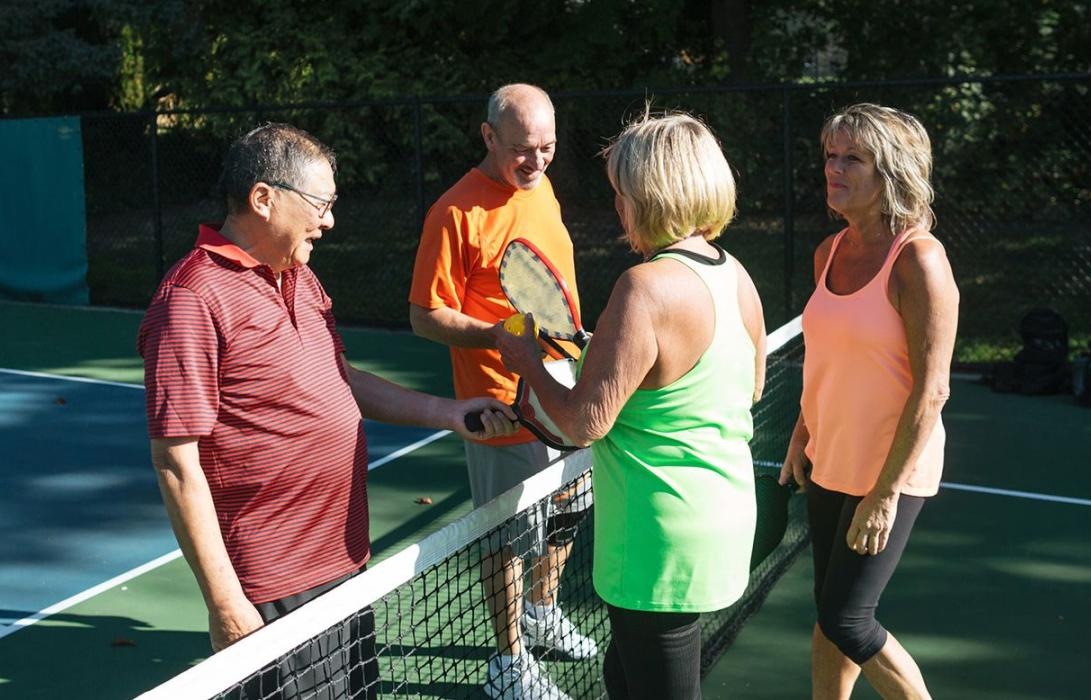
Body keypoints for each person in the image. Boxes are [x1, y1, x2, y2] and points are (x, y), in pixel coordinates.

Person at [140, 123, 518, 700]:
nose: (330, 220)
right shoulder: (191, 299)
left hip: (342, 561)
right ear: (264, 199)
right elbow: (175, 462)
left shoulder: (303, 278)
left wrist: (448, 411)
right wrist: (225, 603)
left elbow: (339, 381)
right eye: (321, 204)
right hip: (271, 582)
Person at [494, 113, 767, 700]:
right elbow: (747, 388)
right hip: (722, 518)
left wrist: (527, 362)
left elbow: (583, 423)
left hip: (656, 540)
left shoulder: (644, 287)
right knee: (623, 678)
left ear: (652, 194)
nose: (618, 206)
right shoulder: (736, 274)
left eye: (622, 192)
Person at [408, 83, 596, 700]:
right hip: (501, 403)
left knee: (567, 510)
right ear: (488, 137)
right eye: (521, 150)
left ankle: (543, 611)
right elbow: (424, 315)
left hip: (565, 385)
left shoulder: (541, 186)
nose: (536, 162)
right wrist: (498, 336)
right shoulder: (454, 212)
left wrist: (570, 343)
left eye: (547, 149)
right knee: (509, 534)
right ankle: (509, 658)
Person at [778, 103, 957, 700]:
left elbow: (933, 389)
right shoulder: (828, 251)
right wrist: (802, 433)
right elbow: (826, 355)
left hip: (890, 470)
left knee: (849, 619)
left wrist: (884, 495)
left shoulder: (919, 260)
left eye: (852, 157)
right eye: (830, 154)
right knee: (827, 610)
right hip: (832, 455)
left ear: (893, 171)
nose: (833, 167)